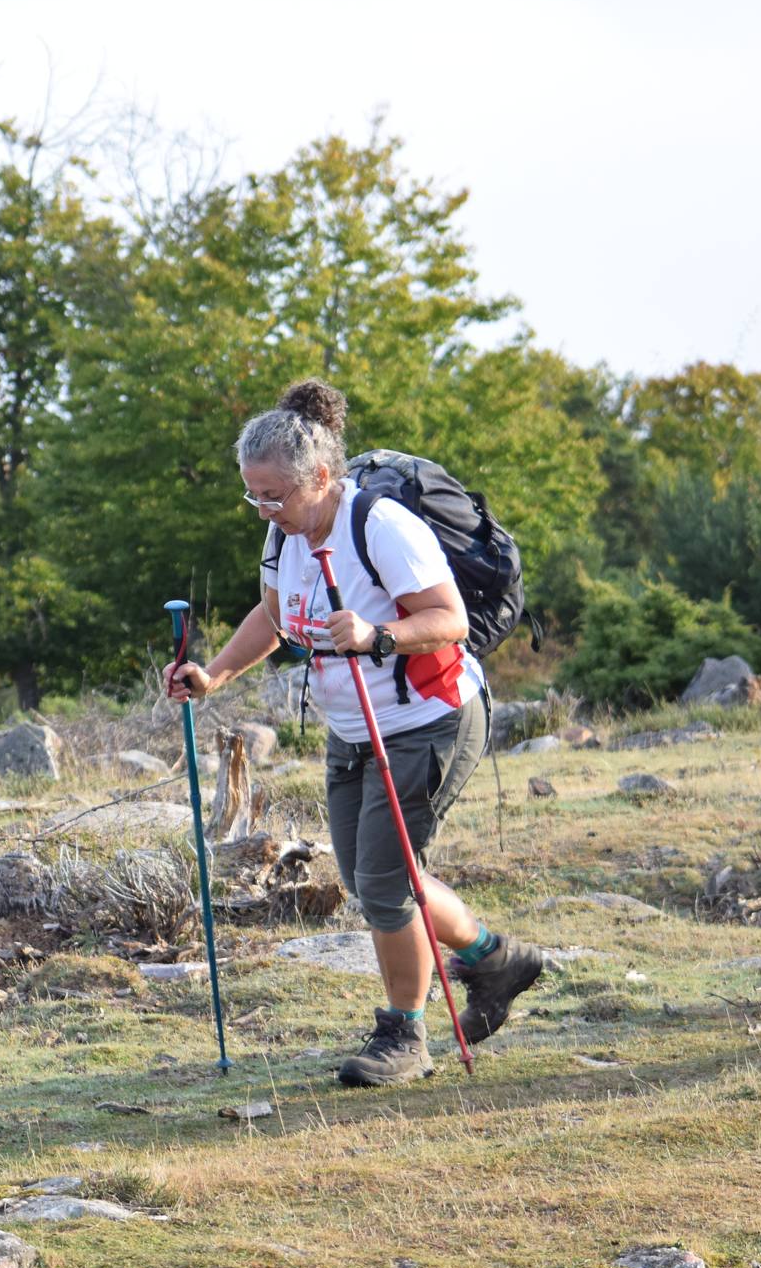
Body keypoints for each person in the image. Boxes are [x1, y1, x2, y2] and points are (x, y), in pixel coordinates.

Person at [163, 378, 544, 1085]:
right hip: (352, 729)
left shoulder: (380, 526)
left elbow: (448, 620)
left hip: (428, 719)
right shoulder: (286, 537)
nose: (262, 510)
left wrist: (378, 634)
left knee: (383, 880)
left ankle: (404, 1036)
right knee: (379, 884)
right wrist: (212, 675)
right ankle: (495, 960)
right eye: (252, 495)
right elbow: (272, 618)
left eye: (273, 494)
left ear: (319, 476)